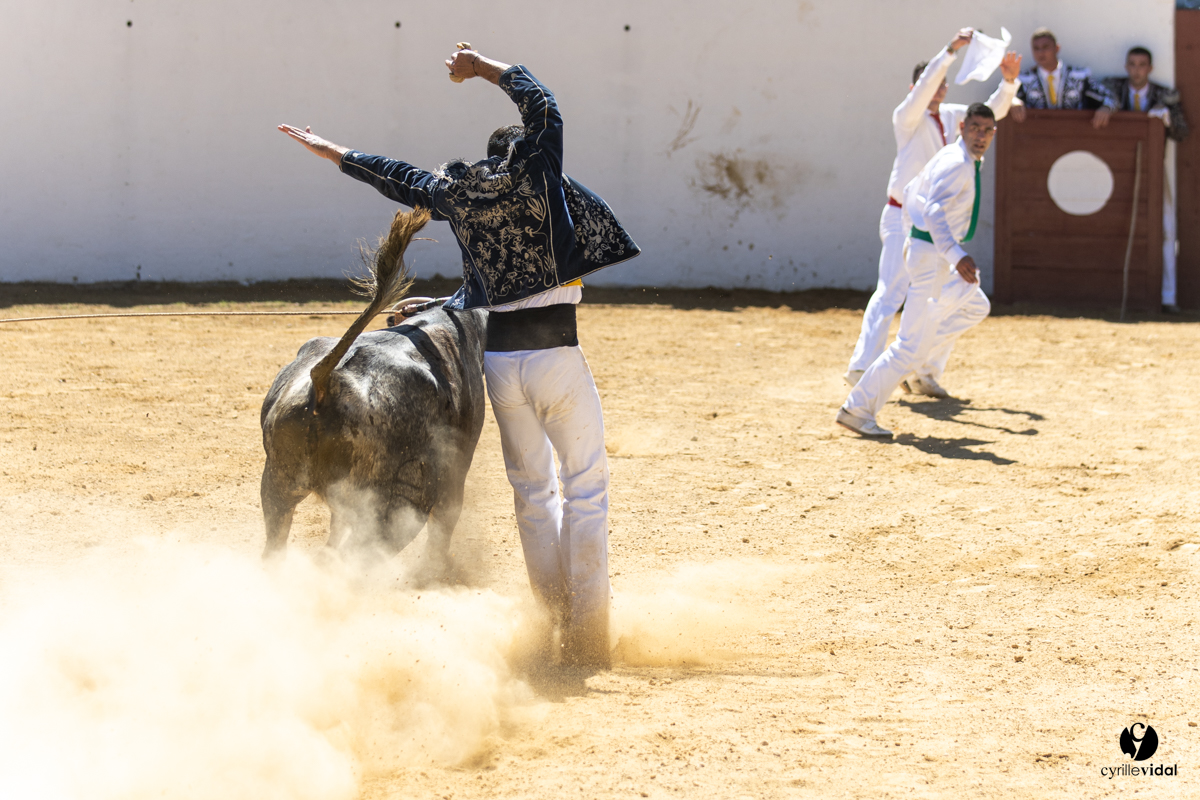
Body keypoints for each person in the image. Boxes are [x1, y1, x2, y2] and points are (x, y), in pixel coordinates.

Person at [278, 46, 640, 669]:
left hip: (500, 365)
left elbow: (396, 177)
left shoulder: (463, 197)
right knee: (586, 489)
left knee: (533, 493)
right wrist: (481, 67)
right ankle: (588, 634)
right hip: (556, 354)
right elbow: (542, 102)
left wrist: (331, 150)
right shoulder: (538, 174)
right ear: (523, 153)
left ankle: (550, 617)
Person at [846, 28, 1020, 399]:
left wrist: (1008, 84)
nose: (939, 90)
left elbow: (991, 115)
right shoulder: (906, 117)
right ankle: (862, 367)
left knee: (955, 299)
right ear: (918, 88)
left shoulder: (957, 116)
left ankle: (922, 370)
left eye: (944, 85)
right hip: (903, 219)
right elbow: (926, 87)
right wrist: (950, 52)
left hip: (939, 229)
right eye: (933, 84)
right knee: (892, 290)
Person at [837, 104, 999, 439]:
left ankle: (920, 365)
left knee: (973, 301)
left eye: (987, 130)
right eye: (975, 128)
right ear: (962, 127)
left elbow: (913, 195)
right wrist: (954, 253)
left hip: (929, 252)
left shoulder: (953, 158)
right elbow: (934, 210)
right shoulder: (957, 163)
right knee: (908, 343)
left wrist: (919, 242)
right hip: (933, 256)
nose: (981, 136)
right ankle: (858, 408)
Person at [1103, 46, 1190, 313]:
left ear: (1150, 69)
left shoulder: (1166, 95)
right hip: (1114, 168)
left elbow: (1182, 133)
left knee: (1165, 229)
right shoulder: (1111, 89)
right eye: (1132, 64)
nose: (1137, 69)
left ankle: (1167, 296)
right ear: (1126, 67)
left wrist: (1166, 120)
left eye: (1142, 65)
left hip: (1154, 169)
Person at [1010, 28, 1116, 128]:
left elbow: (1111, 98)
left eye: (1045, 47)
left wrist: (1106, 108)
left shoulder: (1079, 76)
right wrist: (1013, 102)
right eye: (1036, 48)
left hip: (1075, 135)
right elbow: (1005, 97)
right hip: (1036, 135)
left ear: (1057, 48)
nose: (1040, 53)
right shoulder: (1022, 79)